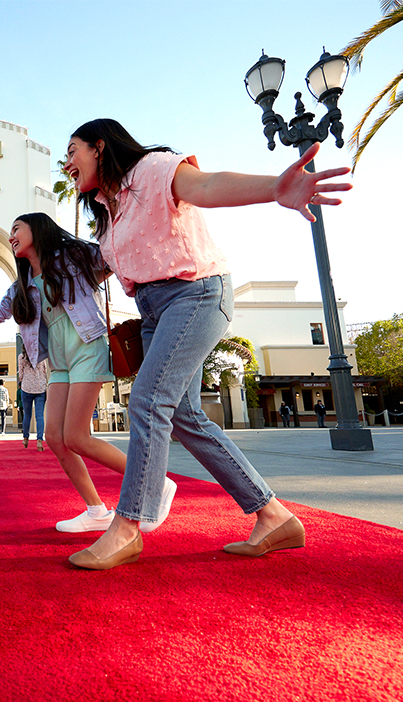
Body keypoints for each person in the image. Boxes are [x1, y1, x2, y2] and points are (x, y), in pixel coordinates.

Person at [62, 118, 352, 569]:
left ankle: (128, 526)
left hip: (195, 293)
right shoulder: (109, 210)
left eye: (73, 149)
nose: (68, 161)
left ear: (100, 146)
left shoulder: (153, 169)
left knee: (149, 400)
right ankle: (273, 516)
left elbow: (208, 184)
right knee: (183, 414)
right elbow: (99, 264)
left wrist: (275, 187)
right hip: (155, 309)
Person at [0, 213, 175, 534]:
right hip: (59, 363)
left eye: (16, 229)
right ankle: (96, 510)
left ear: (37, 229)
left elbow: (113, 254)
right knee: (54, 438)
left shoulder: (72, 258)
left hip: (88, 348)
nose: (11, 236)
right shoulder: (21, 286)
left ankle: (155, 483)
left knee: (77, 437)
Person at [18, 350, 48, 451]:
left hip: (26, 388)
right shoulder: (41, 356)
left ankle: (25, 438)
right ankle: (39, 440)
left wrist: (26, 380)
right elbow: (45, 371)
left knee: (27, 415)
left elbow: (20, 374)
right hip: (40, 388)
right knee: (39, 416)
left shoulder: (22, 357)